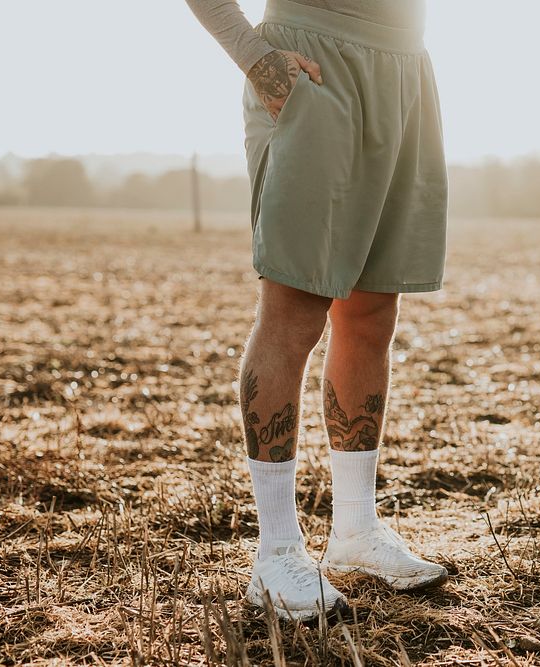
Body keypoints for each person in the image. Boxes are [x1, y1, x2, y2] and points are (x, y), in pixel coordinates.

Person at [185, 0, 450, 621]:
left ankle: (356, 531)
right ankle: (276, 554)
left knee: (372, 312)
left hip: (408, 67)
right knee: (295, 310)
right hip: (313, 65)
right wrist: (253, 57)